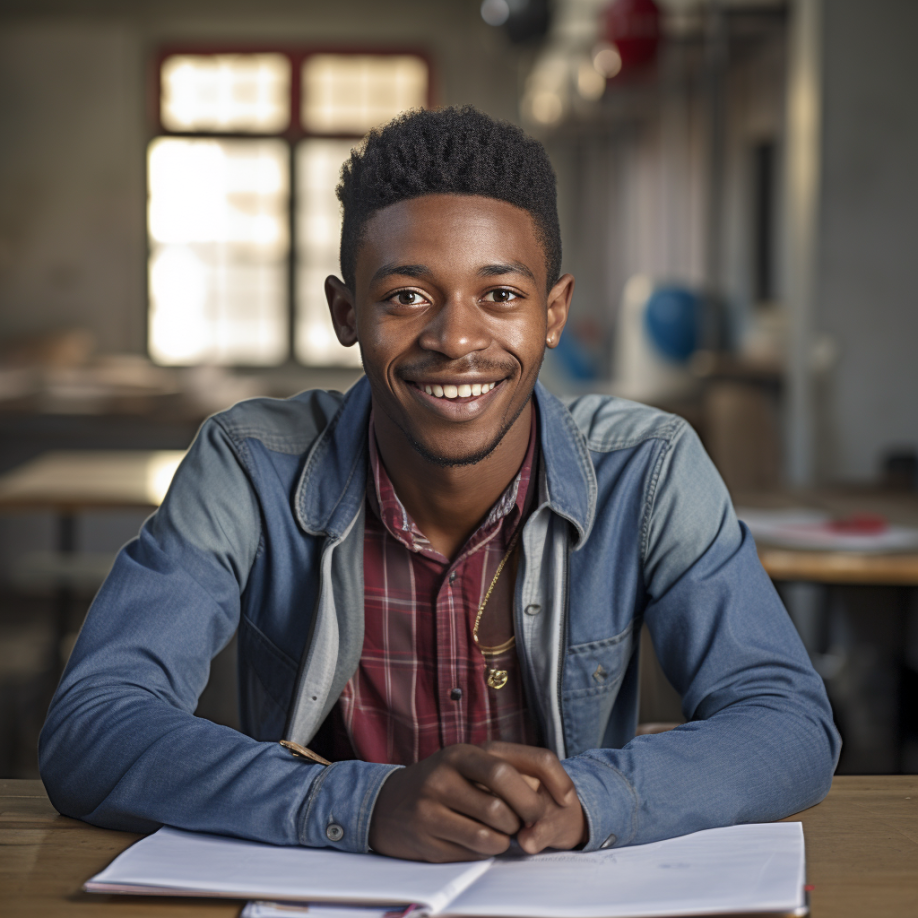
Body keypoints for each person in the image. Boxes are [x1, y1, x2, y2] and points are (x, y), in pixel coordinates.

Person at [39, 106, 839, 863]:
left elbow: (789, 722)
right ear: (346, 312)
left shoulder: (651, 469)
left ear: (553, 313)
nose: (456, 338)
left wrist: (595, 801)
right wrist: (363, 806)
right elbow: (93, 726)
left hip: (560, 893)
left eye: (501, 296)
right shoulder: (248, 465)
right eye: (407, 296)